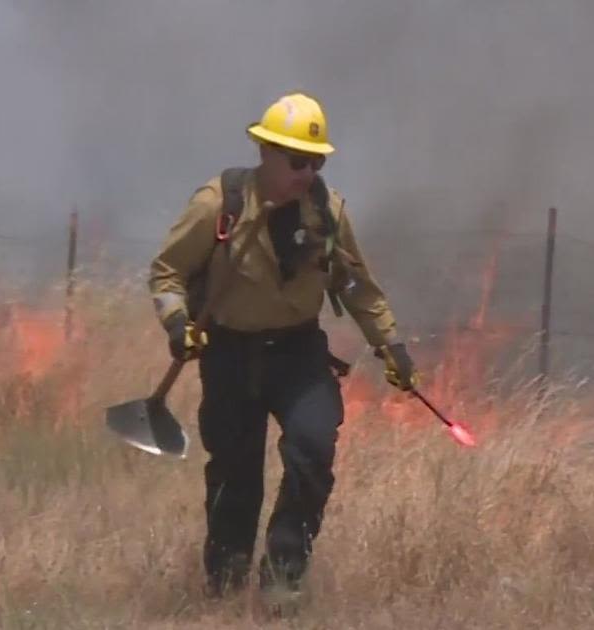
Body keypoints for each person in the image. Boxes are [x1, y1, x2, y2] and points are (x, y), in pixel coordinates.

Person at [147, 92, 419, 607]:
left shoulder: (328, 212)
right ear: (266, 152)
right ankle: (225, 584)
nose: (307, 173)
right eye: (297, 161)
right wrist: (177, 321)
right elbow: (167, 273)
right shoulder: (219, 204)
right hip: (230, 355)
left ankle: (283, 578)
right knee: (234, 472)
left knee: (313, 450)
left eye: (315, 162)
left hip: (298, 355)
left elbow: (357, 287)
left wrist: (391, 345)